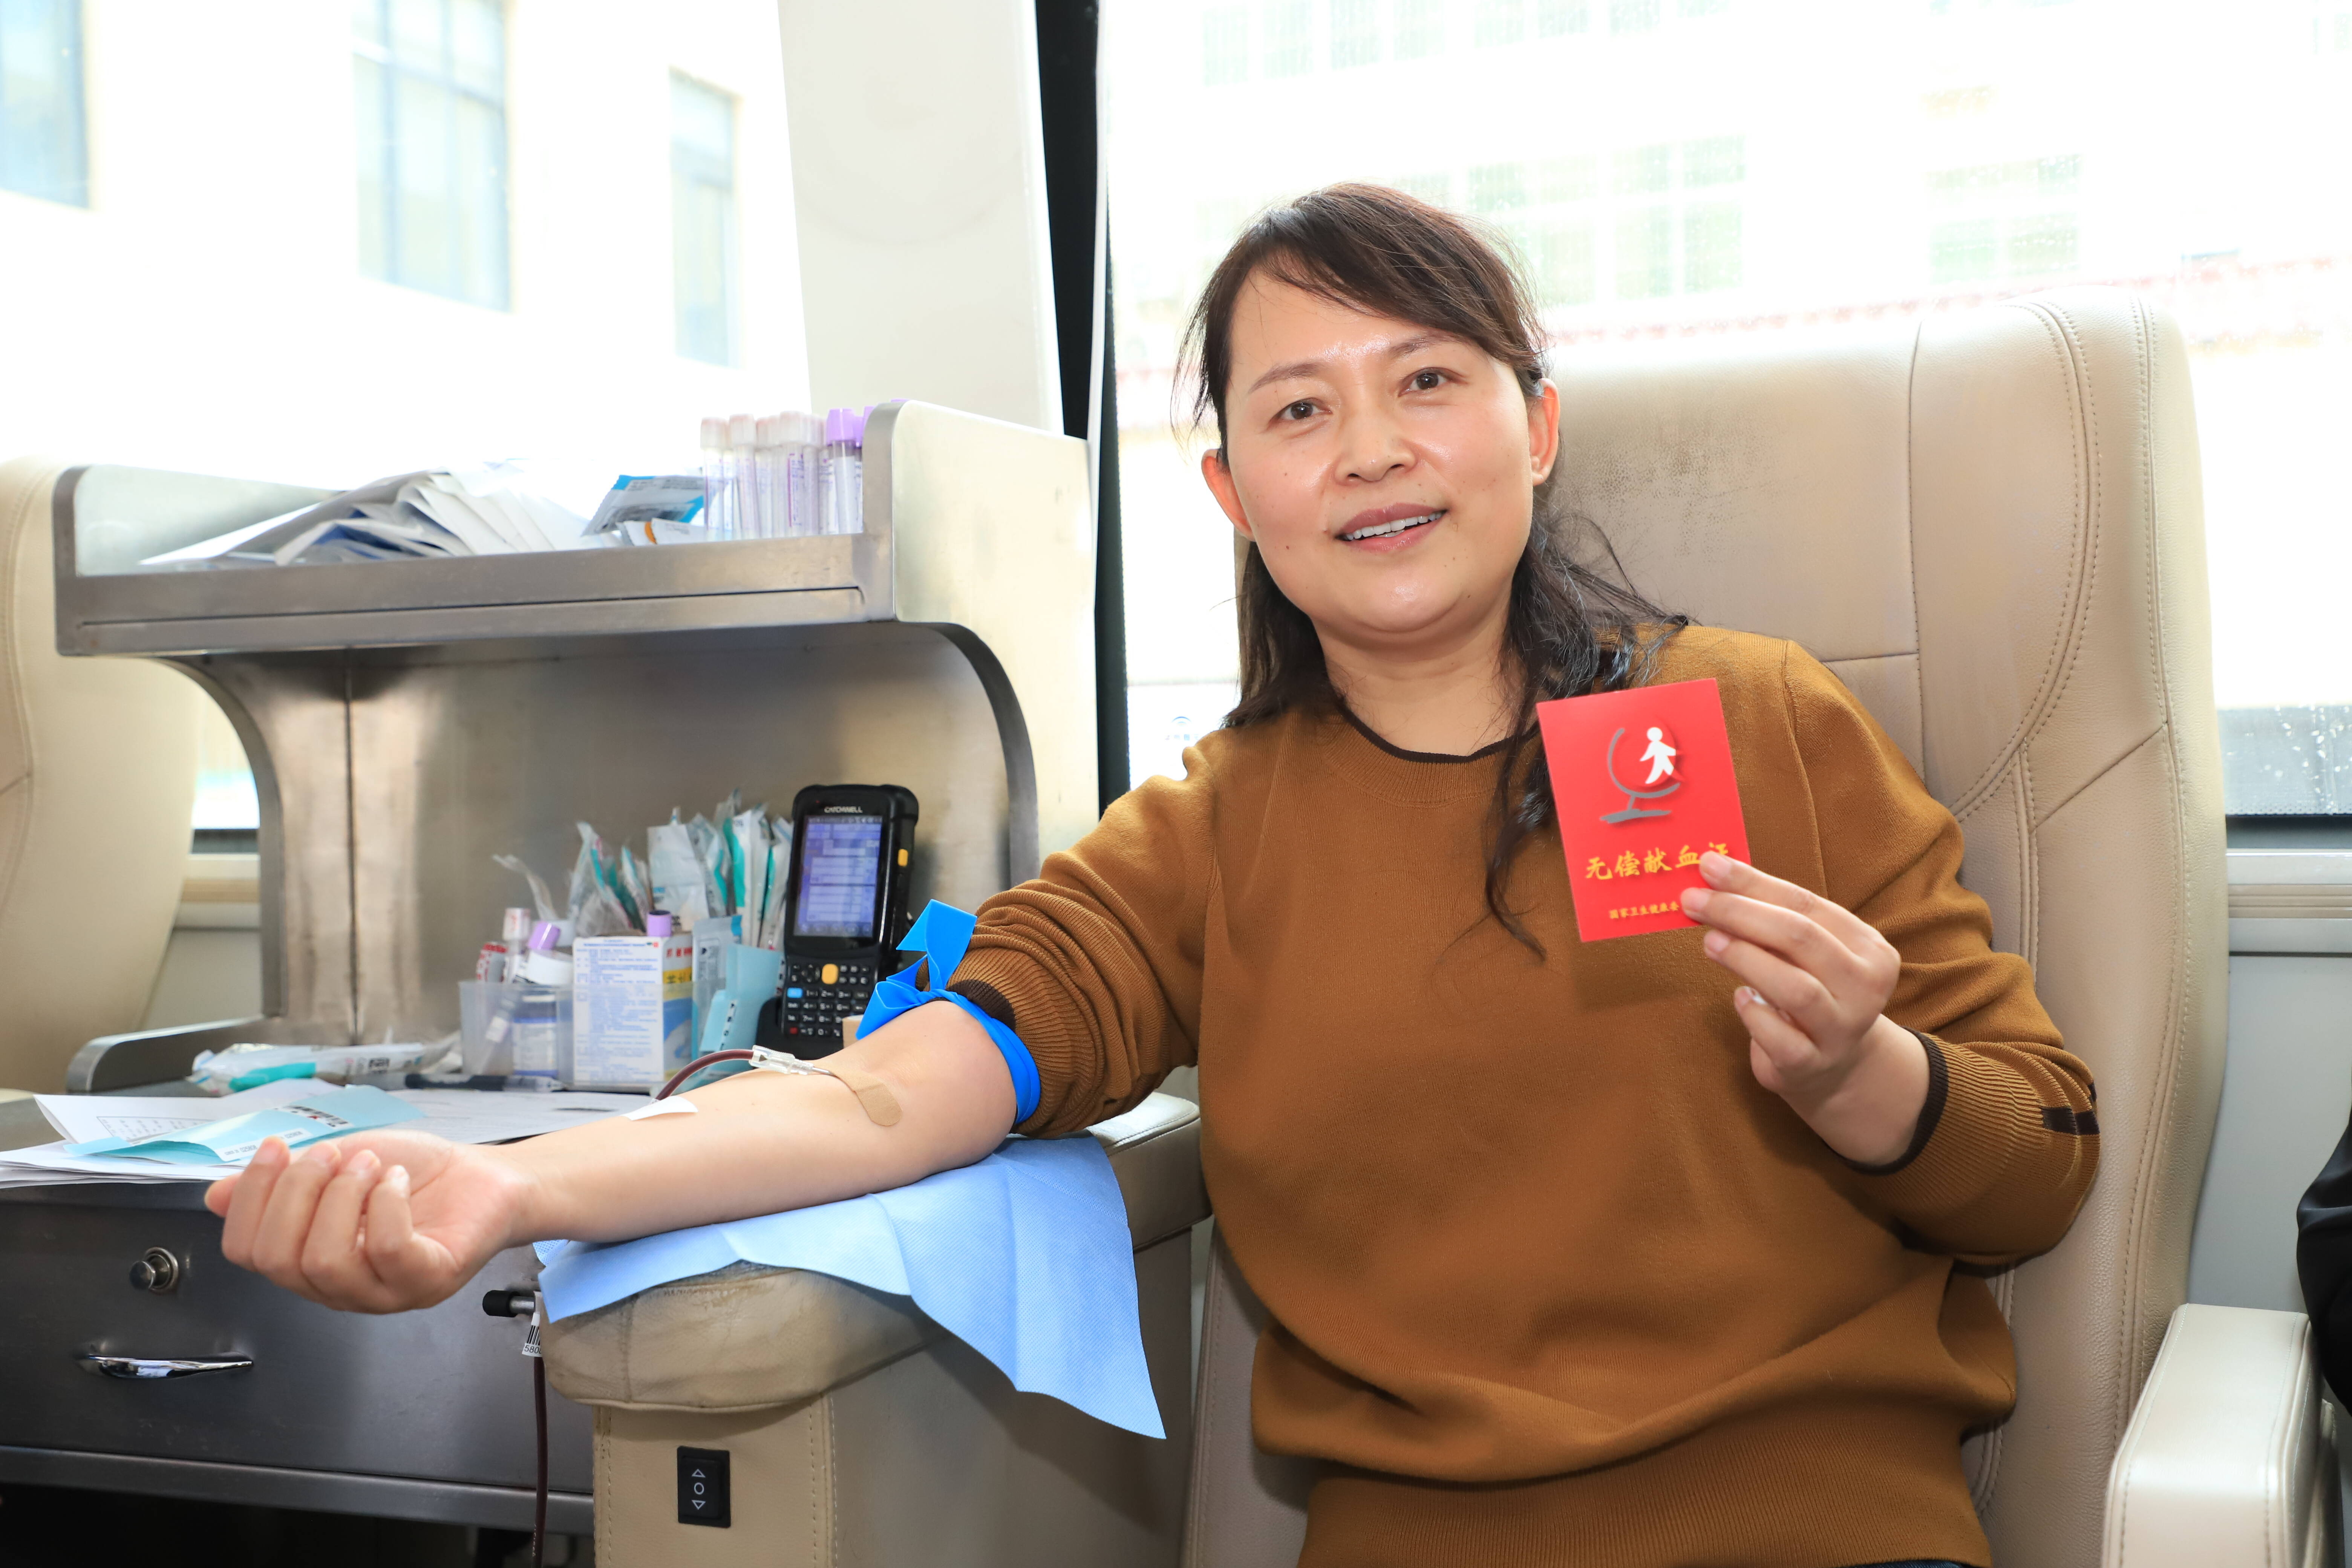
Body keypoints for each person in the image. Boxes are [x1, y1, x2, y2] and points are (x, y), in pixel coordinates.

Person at [207, 185, 2098, 1568]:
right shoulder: (1211, 832)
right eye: (1299, 408)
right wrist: (506, 1187)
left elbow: (2040, 1163)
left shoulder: (1746, 719)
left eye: (1427, 378)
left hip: (1815, 1524)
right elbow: (877, 1096)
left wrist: (1864, 1073)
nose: (1372, 448)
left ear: (1534, 425)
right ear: (1233, 495)